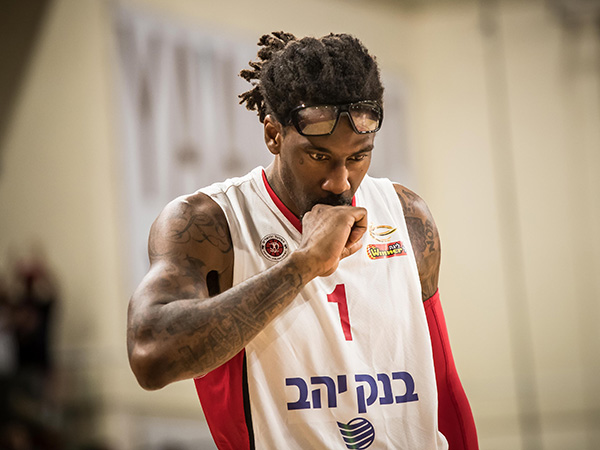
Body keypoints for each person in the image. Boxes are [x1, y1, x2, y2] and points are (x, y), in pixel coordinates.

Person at [127, 31, 478, 449]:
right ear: (273, 135)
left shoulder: (406, 215)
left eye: (358, 156)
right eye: (318, 156)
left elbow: (443, 385)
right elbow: (150, 356)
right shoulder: (208, 222)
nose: (340, 182)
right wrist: (302, 265)